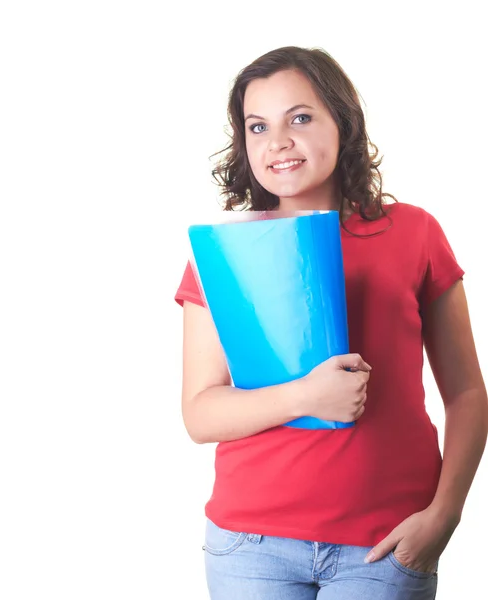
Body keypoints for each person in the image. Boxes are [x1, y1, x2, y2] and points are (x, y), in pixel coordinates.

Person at [174, 46, 488, 599]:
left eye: (300, 117)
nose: (277, 142)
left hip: (385, 545)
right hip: (251, 546)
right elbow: (201, 413)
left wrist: (443, 517)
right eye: (257, 126)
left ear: (342, 122)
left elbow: (466, 393)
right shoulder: (222, 256)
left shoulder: (415, 232)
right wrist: (305, 397)